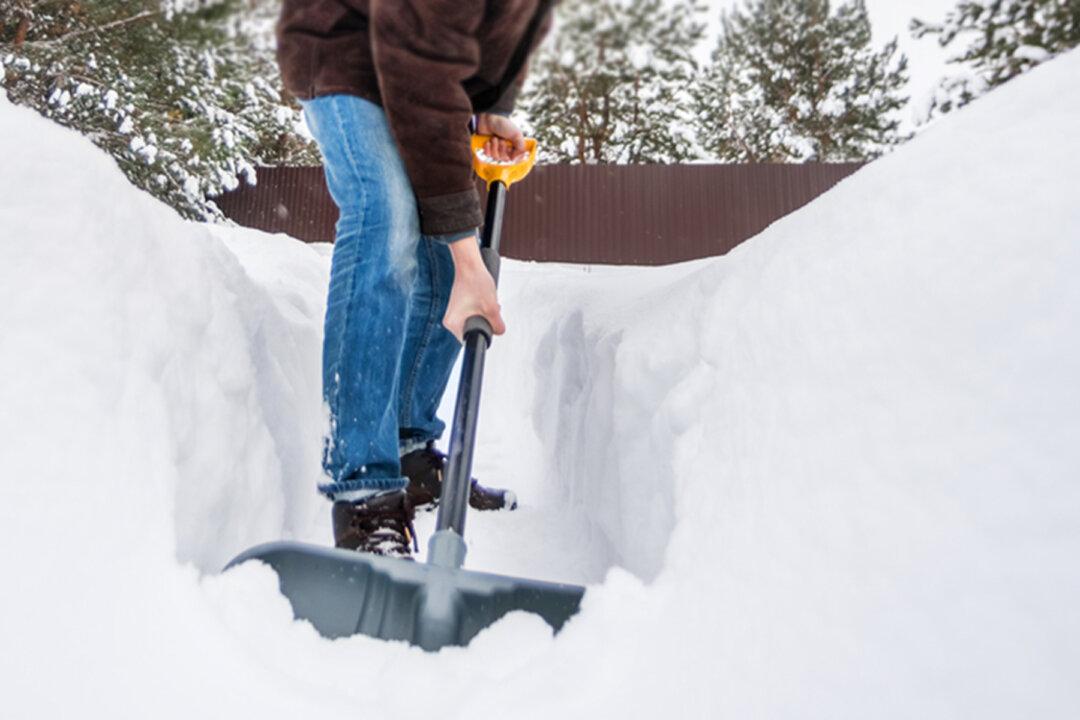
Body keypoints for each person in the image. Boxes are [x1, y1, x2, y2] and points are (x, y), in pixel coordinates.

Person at [276, 1, 554, 556]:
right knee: (386, 214)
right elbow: (418, 68)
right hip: (343, 50)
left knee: (439, 255)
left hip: (416, 63)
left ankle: (407, 446)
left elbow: (506, 31)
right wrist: (469, 260)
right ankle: (364, 489)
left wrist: (491, 105)